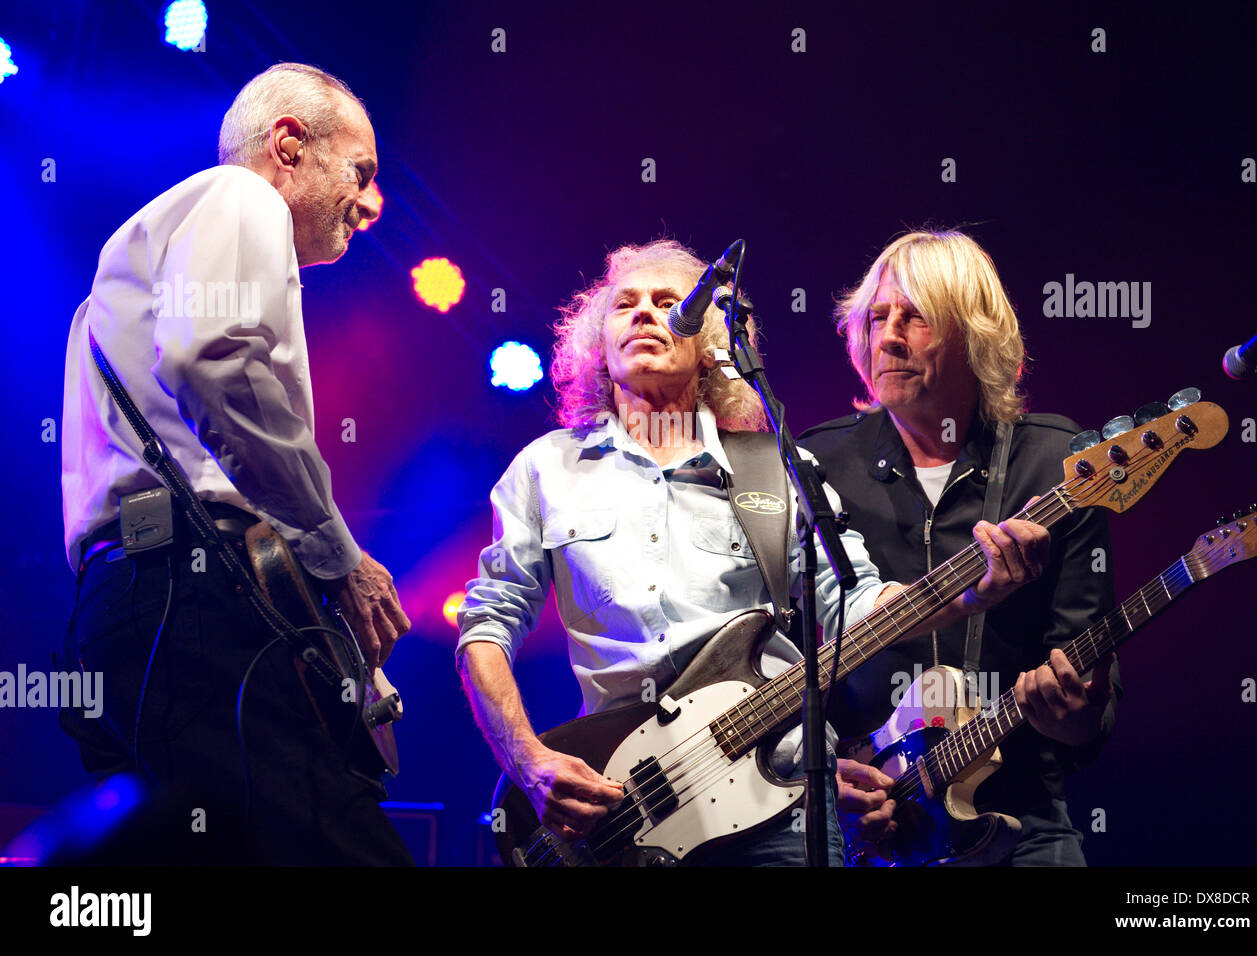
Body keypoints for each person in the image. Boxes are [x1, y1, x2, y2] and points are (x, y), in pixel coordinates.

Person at [456, 239, 1049, 865]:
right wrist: (528, 759)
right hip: (624, 799)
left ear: (709, 342)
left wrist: (970, 592)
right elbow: (485, 628)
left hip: (782, 800)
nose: (645, 314)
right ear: (597, 344)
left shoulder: (778, 469)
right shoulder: (547, 469)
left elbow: (858, 605)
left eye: (666, 302)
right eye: (623, 305)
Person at [58, 63, 412, 865]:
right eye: (361, 171)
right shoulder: (241, 197)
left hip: (124, 604)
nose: (372, 203)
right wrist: (338, 558)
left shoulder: (130, 273)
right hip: (190, 599)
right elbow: (213, 359)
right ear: (289, 145)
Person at [799, 229, 1120, 866]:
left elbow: (1086, 701)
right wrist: (822, 779)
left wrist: (1075, 714)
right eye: (876, 317)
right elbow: (791, 656)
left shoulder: (1058, 462)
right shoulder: (818, 463)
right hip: (861, 827)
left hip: (1020, 816)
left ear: (974, 334)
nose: (887, 335)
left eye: (914, 316)